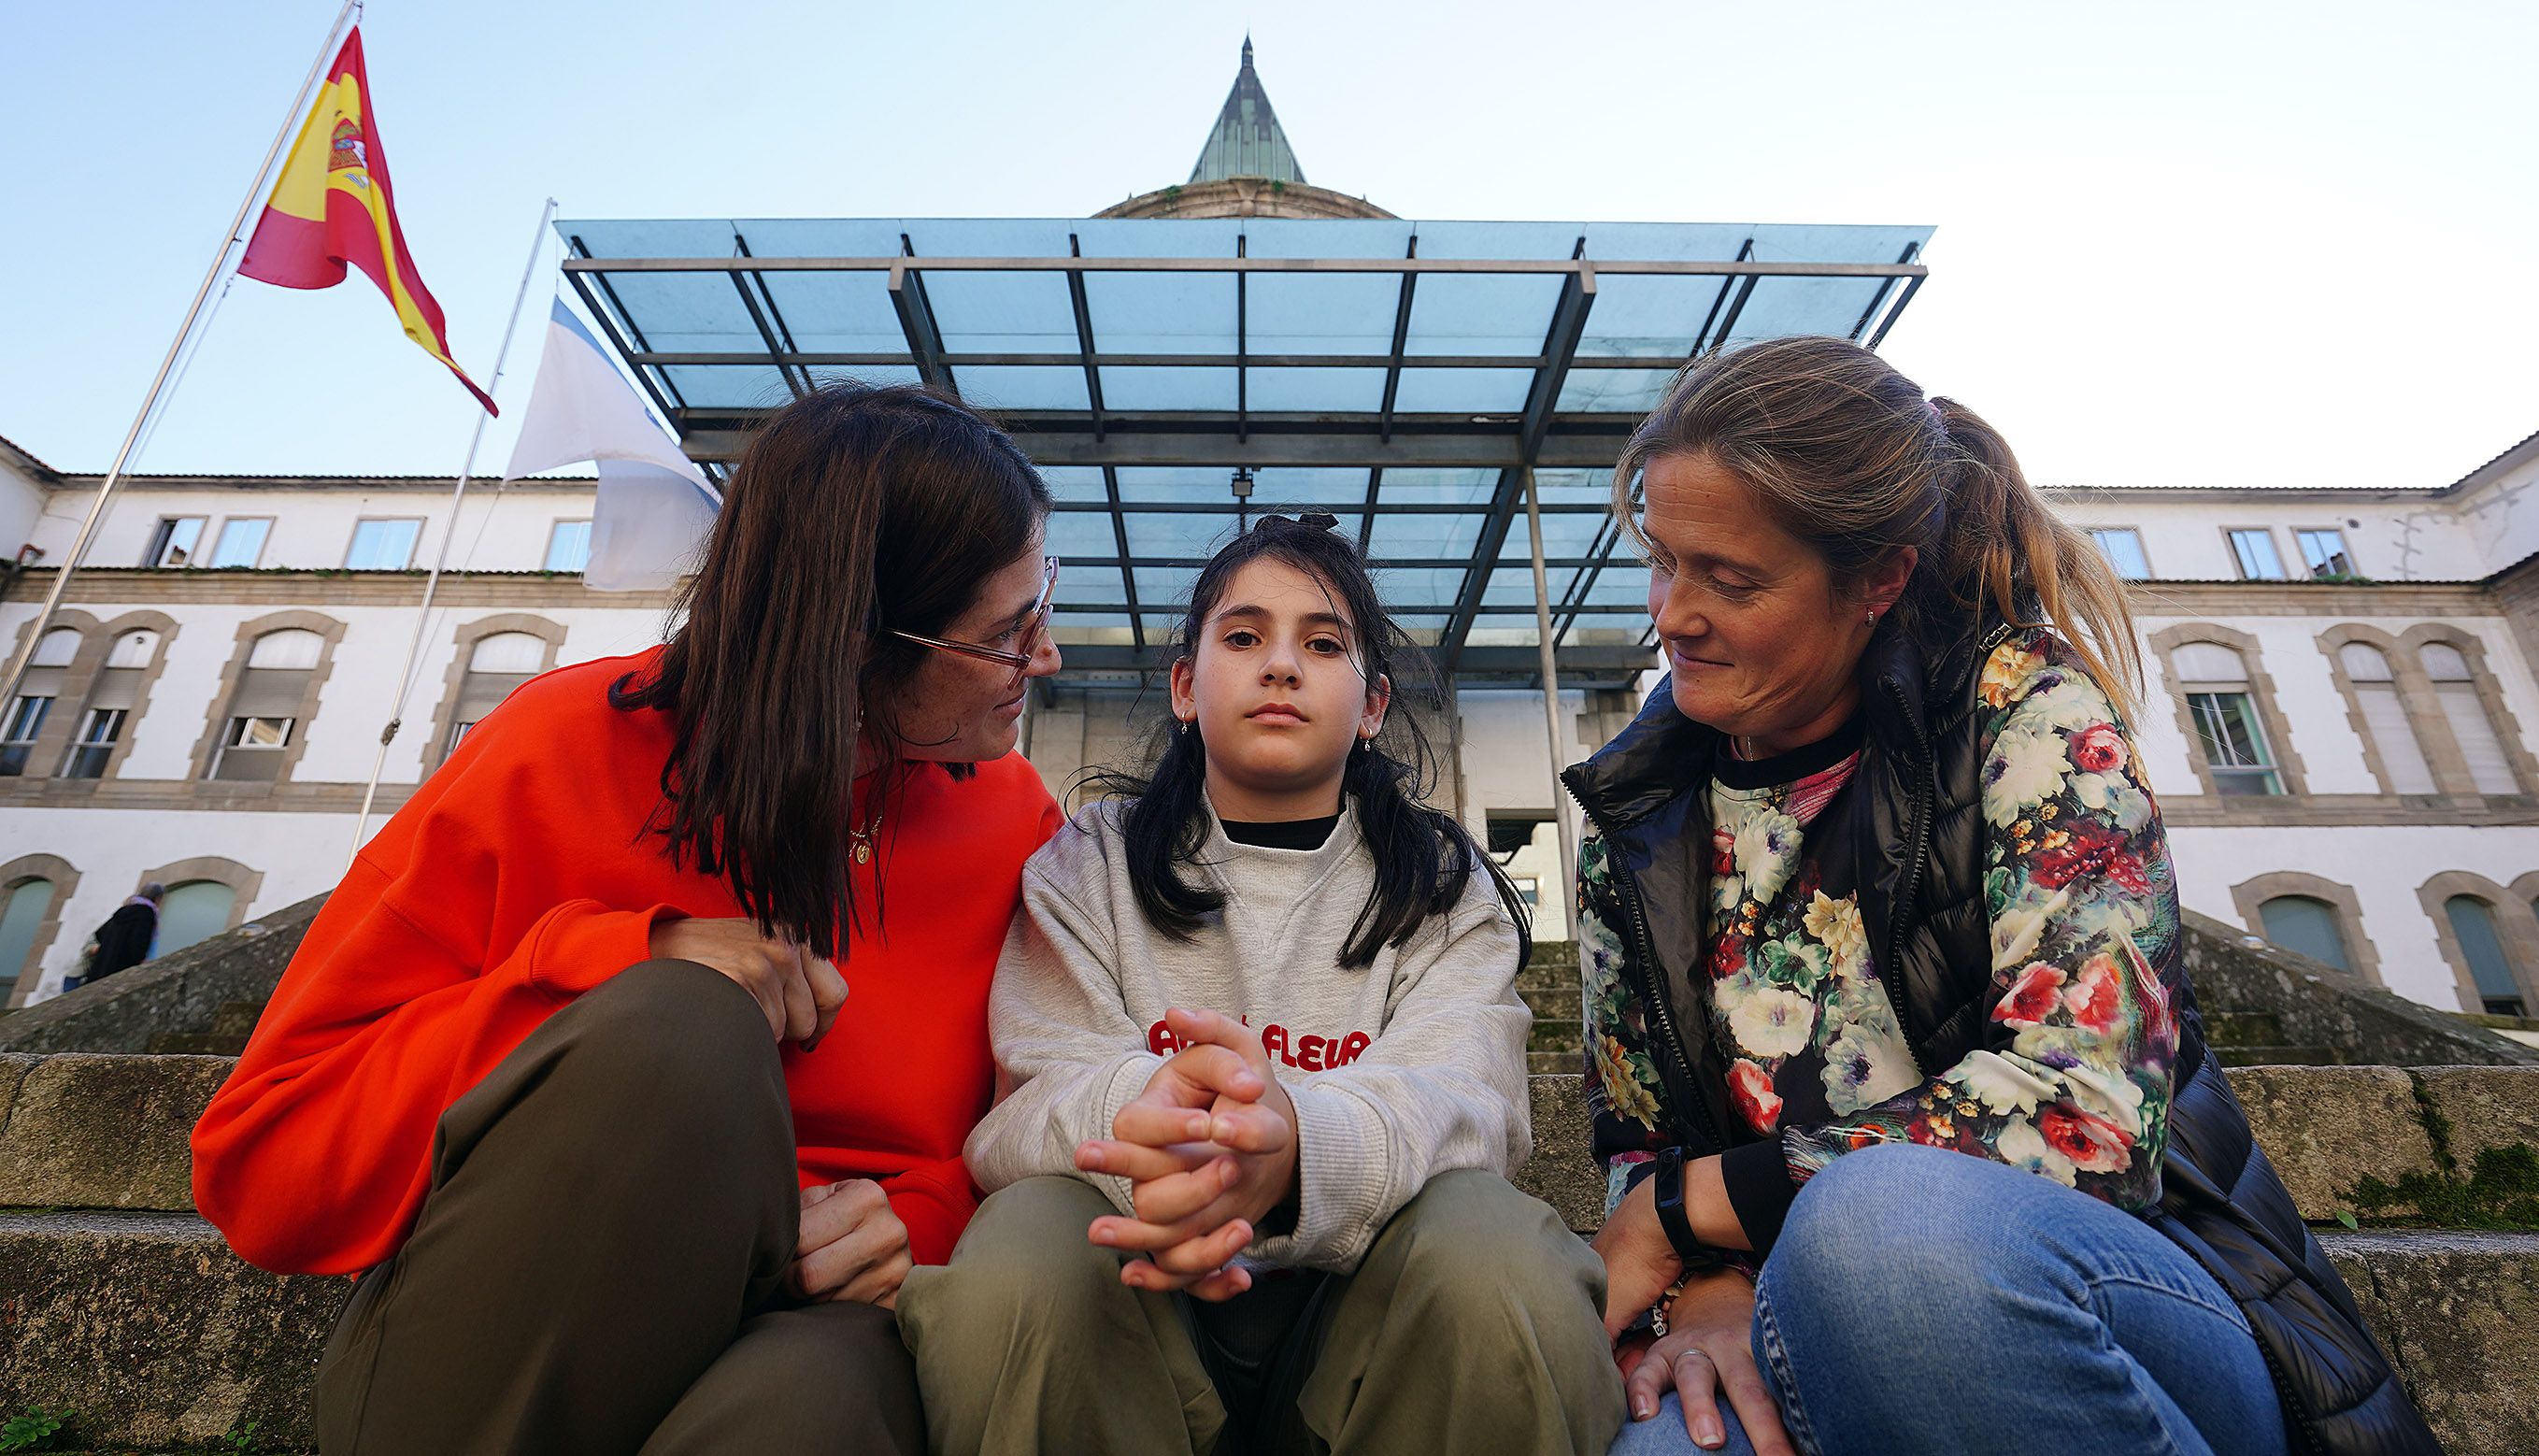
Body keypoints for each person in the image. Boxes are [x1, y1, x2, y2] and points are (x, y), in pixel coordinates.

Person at [1572, 337, 2437, 1456]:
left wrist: (1702, 1204)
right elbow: (1637, 1135)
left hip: (2105, 1300)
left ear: (1877, 580)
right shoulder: (1638, 810)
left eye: (1729, 579)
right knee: (1658, 1444)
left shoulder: (2022, 712)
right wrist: (1696, 1295)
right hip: (1784, 1300)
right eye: (1661, 559)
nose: (1670, 616)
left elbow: (2085, 1116)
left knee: (1883, 1229)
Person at [190, 384, 1066, 1455]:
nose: (1046, 656)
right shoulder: (553, 746)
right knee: (682, 1027)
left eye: (1042, 602)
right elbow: (267, 1162)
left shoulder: (1015, 818)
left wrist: (920, 1225)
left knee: (816, 1404)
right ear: (855, 644)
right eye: (1010, 630)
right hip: (517, 1339)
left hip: (811, 1336)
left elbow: (1020, 1134)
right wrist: (606, 966)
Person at [897, 513, 1624, 1455]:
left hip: (1369, 1313)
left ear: (1370, 706)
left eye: (1322, 644)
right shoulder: (1086, 861)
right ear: (1185, 687)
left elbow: (1470, 1106)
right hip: (1134, 1303)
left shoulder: (1447, 888)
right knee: (1025, 1238)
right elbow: (1033, 1090)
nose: (1280, 665)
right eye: (1242, 637)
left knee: (1494, 1241)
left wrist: (1291, 1154)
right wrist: (1157, 1115)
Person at [77, 881, 163, 986]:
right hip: (121, 970)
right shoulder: (146, 914)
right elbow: (138, 944)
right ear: (157, 898)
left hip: (101, 968)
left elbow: (100, 935)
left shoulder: (123, 911)